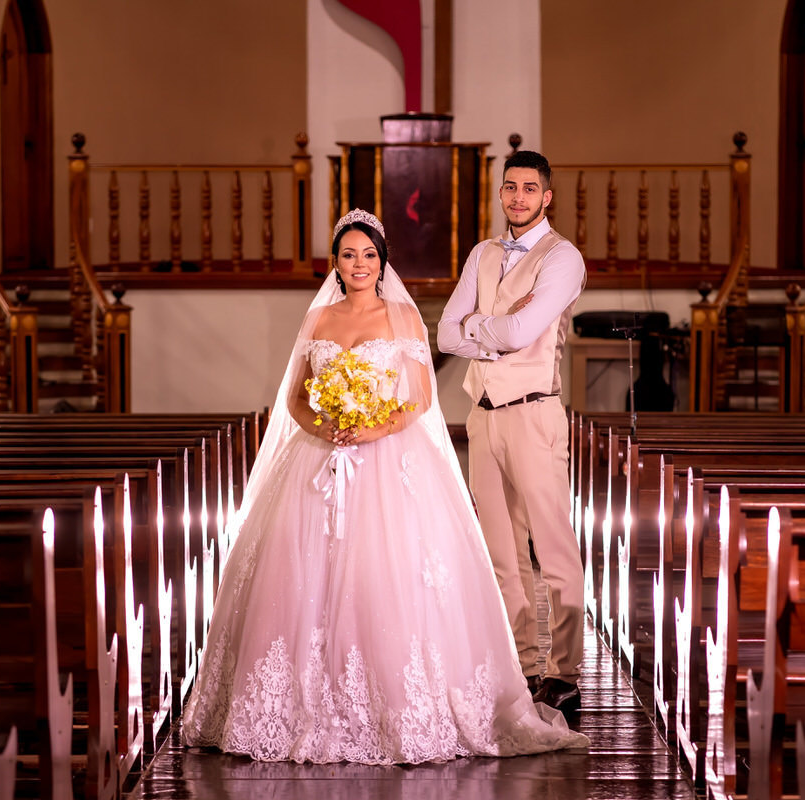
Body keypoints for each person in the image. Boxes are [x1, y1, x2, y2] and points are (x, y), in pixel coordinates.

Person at [181, 209, 588, 764]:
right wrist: (325, 425)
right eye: (349, 255)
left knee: (391, 577)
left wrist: (371, 426)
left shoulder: (401, 315)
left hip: (387, 455)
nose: (359, 265)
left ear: (382, 260)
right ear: (336, 262)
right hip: (319, 457)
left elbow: (420, 396)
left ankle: (400, 704)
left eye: (368, 255)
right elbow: (297, 396)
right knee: (300, 577)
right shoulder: (320, 319)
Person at [437, 150, 587, 715]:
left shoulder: (562, 257)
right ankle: (525, 664)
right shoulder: (483, 253)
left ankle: (565, 671)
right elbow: (447, 334)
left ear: (547, 196)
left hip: (534, 412)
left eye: (529, 189)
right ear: (500, 195)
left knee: (551, 548)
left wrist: (481, 326)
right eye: (509, 188)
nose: (518, 197)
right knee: (501, 551)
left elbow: (526, 330)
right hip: (483, 415)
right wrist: (487, 328)